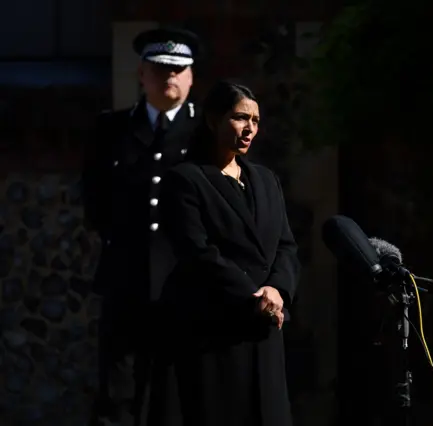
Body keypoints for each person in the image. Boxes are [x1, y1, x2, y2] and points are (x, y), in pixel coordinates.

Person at [143, 81, 300, 426]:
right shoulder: (185, 180)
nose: (249, 129)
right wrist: (253, 295)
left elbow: (285, 245)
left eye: (256, 121)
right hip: (211, 331)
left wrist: (277, 290)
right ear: (213, 121)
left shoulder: (266, 180)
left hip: (263, 327)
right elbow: (196, 251)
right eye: (240, 118)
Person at [82, 27, 201, 424]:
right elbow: (95, 199)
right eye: (159, 67)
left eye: (178, 69)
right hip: (126, 277)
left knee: (178, 393)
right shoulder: (111, 129)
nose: (169, 76)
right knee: (117, 392)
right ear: (141, 74)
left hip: (185, 282)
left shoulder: (206, 136)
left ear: (191, 76)